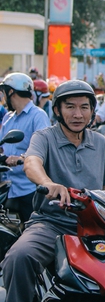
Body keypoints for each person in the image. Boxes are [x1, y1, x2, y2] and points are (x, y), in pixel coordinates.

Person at [1, 80, 105, 302]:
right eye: (70, 107)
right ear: (57, 109)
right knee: (18, 257)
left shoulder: (101, 143)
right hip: (52, 223)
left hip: (93, 227)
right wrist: (48, 184)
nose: (77, 114)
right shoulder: (44, 137)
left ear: (92, 111)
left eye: (84, 107)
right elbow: (32, 163)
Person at [0, 73, 51, 226]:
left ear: (11, 92)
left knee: (31, 231)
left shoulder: (38, 116)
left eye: (4, 92)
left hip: (28, 188)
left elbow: (46, 149)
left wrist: (21, 158)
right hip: (8, 186)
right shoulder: (8, 117)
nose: (2, 97)